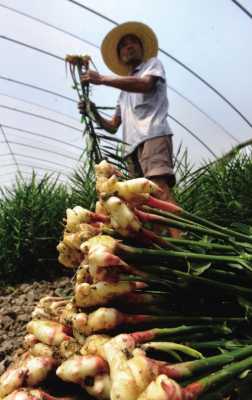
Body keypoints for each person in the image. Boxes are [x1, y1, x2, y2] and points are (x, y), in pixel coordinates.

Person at [78, 21, 177, 206]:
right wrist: (93, 112)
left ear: (141, 48)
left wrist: (102, 79)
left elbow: (145, 84)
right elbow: (113, 126)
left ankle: (181, 236)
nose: (128, 46)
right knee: (143, 201)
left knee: (159, 190)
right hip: (130, 149)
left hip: (152, 137)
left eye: (133, 42)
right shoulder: (123, 93)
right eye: (123, 45)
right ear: (120, 55)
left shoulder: (152, 65)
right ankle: (162, 235)